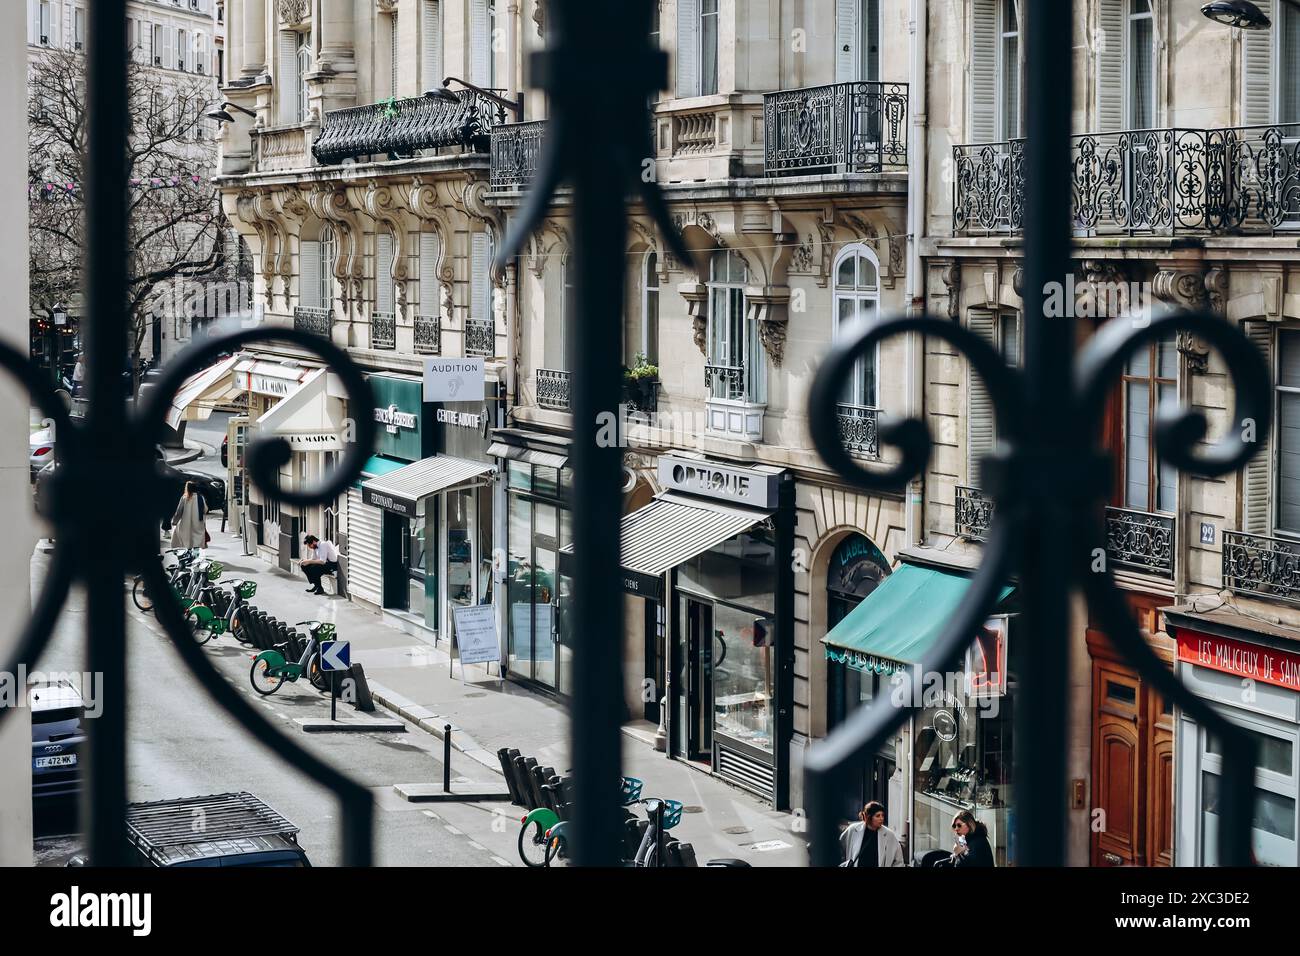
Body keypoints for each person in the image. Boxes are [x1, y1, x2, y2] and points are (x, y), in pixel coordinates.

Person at [839, 801, 906, 868]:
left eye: (882, 815)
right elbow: (839, 848)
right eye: (877, 816)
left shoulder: (889, 835)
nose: (881, 818)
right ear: (869, 817)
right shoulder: (853, 830)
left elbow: (898, 861)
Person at [169, 481, 207, 550]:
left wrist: (174, 521)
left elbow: (179, 512)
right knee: (197, 539)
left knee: (181, 535)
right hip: (198, 522)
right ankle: (196, 552)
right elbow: (205, 509)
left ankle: (187, 551)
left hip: (185, 523)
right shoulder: (200, 497)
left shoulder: (184, 498)